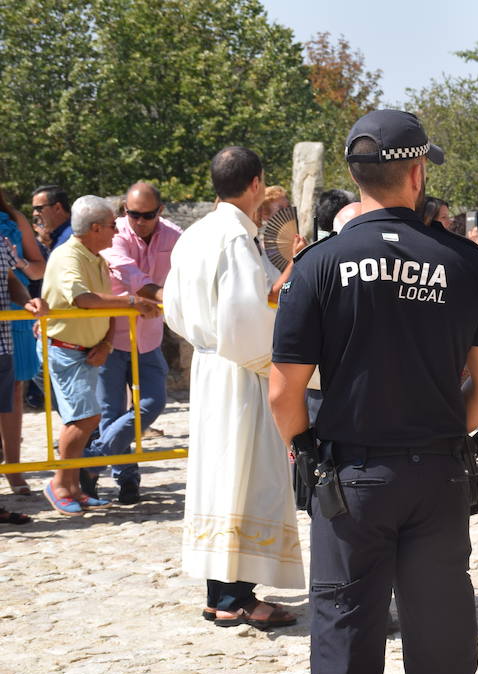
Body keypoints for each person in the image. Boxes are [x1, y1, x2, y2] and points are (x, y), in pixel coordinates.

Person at [269, 109, 478, 674]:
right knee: (442, 656)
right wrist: (450, 432)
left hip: (351, 479)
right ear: (417, 173)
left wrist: (308, 452)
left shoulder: (319, 263)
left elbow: (284, 392)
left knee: (346, 655)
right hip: (436, 477)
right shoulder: (463, 261)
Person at [163, 146, 303, 627]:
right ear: (257, 183)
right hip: (242, 372)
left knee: (220, 479)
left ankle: (220, 593)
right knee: (244, 479)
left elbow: (175, 310)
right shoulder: (235, 240)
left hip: (210, 367)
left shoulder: (194, 235)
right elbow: (251, 316)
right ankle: (237, 598)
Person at [39, 196, 159, 515]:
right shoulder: (68, 257)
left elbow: (103, 307)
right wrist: (132, 303)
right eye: (111, 225)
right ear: (95, 228)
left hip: (88, 351)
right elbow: (84, 300)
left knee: (86, 418)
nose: (116, 230)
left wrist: (105, 343)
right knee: (83, 419)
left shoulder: (94, 256)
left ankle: (74, 487)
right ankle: (59, 484)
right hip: (66, 350)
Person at [85, 182, 180, 505]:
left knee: (153, 403)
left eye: (146, 215)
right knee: (112, 413)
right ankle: (127, 480)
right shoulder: (115, 234)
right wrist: (165, 296)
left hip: (149, 335)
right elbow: (130, 275)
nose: (137, 220)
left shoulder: (174, 235)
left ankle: (92, 459)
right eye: (132, 213)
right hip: (111, 336)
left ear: (160, 211)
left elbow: (187, 269)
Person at [0, 187, 45, 494]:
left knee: (14, 390)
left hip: (10, 319)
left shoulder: (12, 221)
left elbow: (14, 277)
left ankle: (13, 468)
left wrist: (28, 300)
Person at [31, 185, 72, 250]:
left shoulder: (71, 237)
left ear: (57, 208)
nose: (34, 213)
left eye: (39, 208)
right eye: (34, 209)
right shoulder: (57, 237)